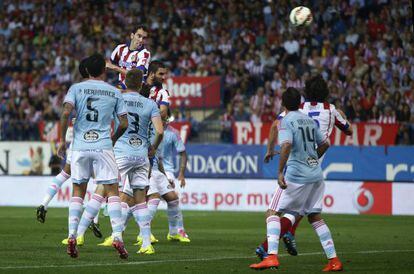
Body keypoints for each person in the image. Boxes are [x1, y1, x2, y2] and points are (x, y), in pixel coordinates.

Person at [257, 75, 353, 258]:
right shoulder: (332, 110)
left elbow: (275, 126)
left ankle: (269, 250)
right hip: (314, 169)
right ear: (326, 92)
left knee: (282, 210)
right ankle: (329, 258)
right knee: (304, 212)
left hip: (296, 167)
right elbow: (349, 130)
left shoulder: (296, 109)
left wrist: (270, 149)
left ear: (306, 92)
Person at [57, 53, 129, 259]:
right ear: (103, 71)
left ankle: (72, 235)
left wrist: (62, 141)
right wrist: (113, 139)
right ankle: (117, 236)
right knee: (112, 190)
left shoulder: (76, 89)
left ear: (86, 71)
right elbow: (124, 123)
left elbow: (65, 113)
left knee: (78, 190)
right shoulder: (114, 92)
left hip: (79, 146)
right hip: (103, 145)